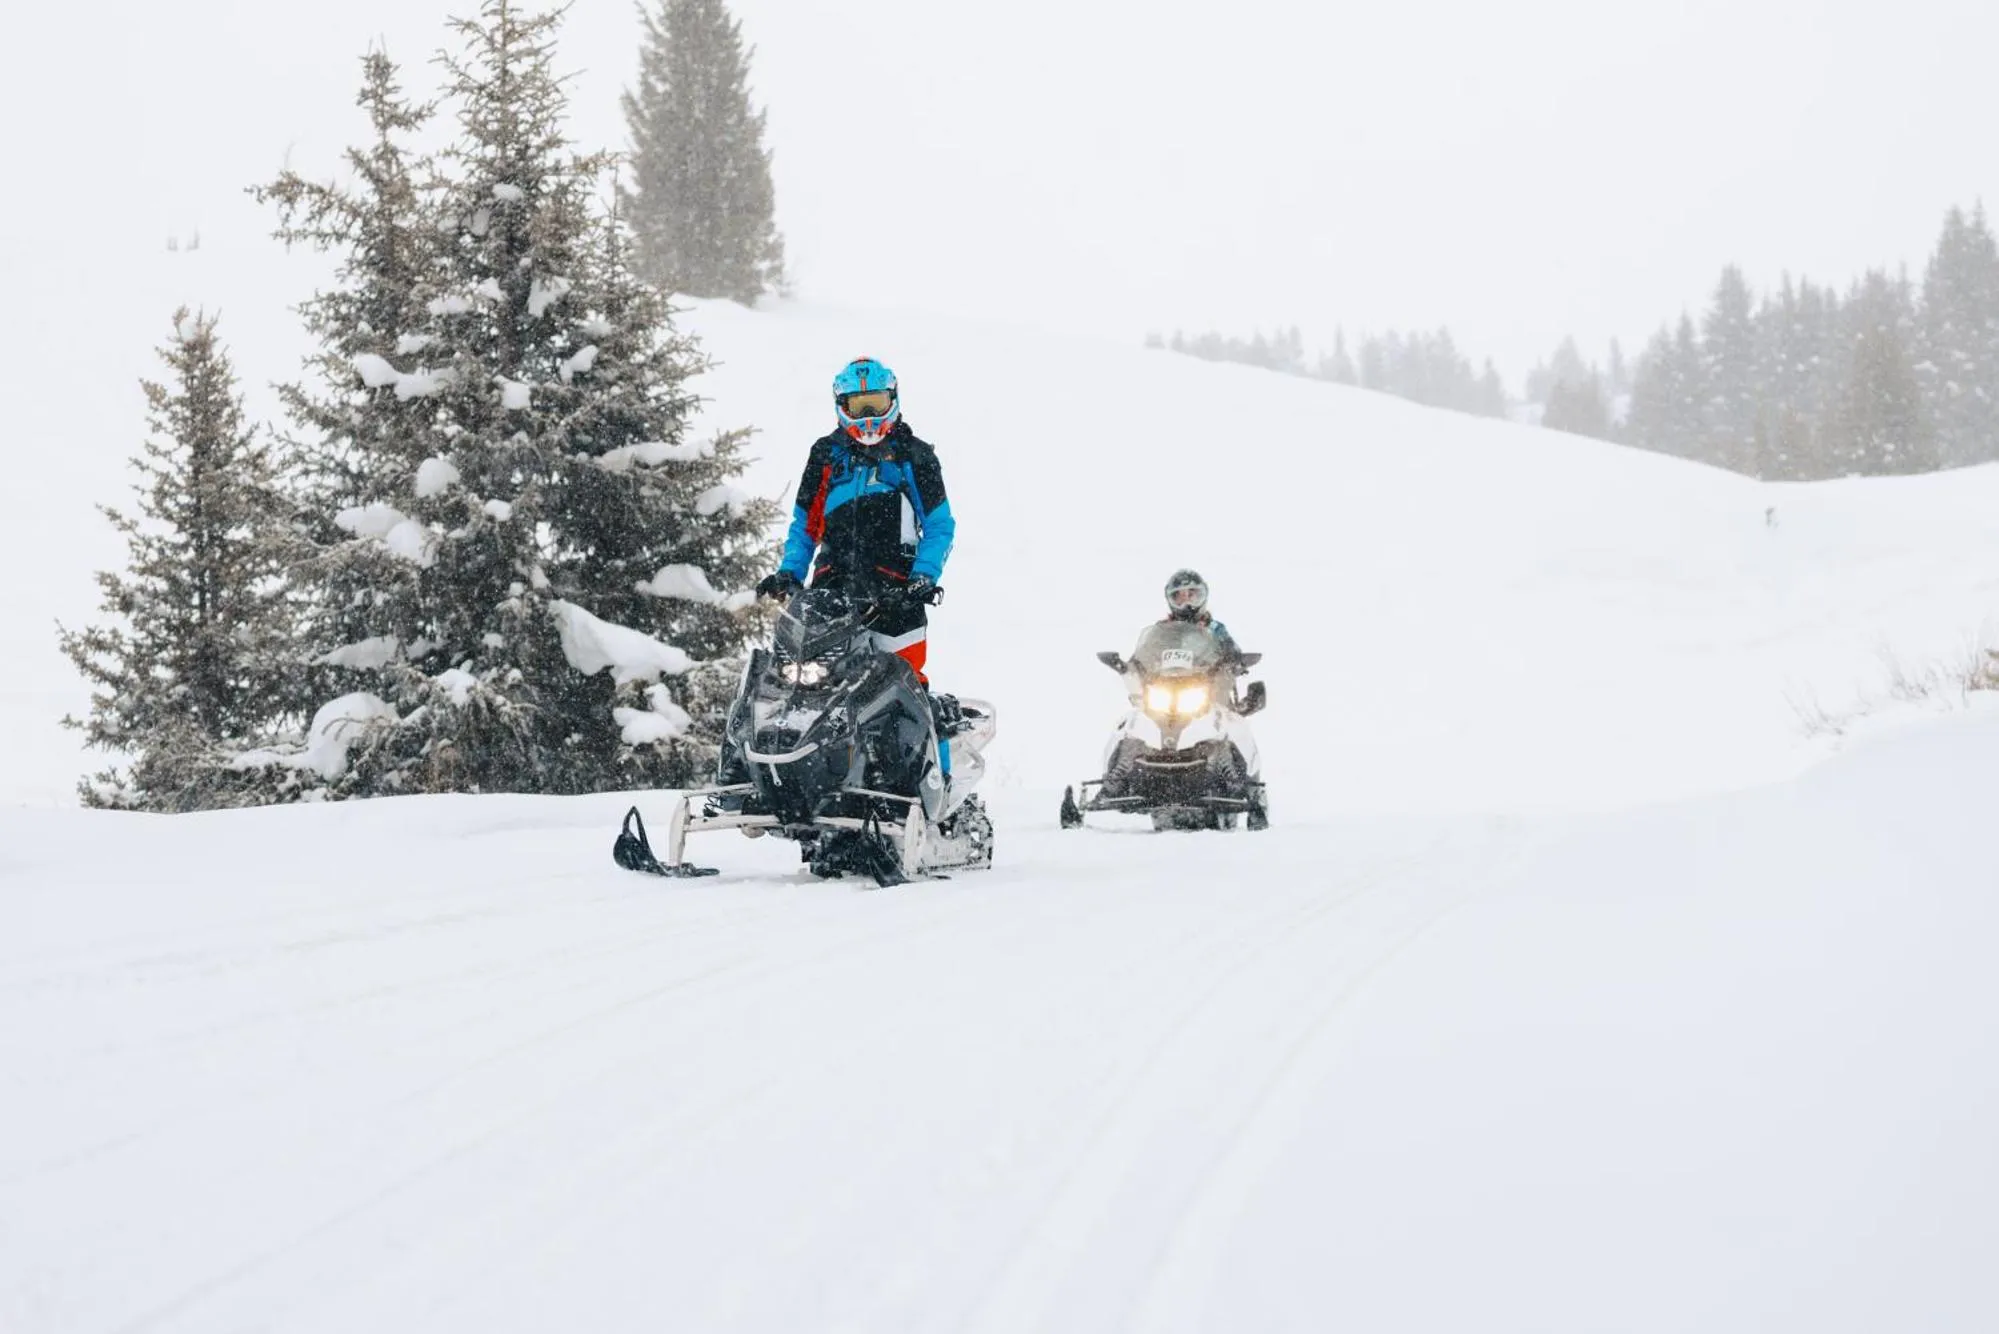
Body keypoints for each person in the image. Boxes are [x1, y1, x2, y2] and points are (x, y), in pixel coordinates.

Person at [757, 357, 955, 683]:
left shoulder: (914, 455)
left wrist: (923, 577)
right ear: (841, 405)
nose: (868, 417)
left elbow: (939, 525)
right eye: (859, 406)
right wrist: (789, 573)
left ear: (893, 400)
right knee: (803, 682)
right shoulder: (825, 454)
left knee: (906, 685)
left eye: (876, 404)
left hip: (896, 595)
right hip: (829, 593)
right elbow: (805, 525)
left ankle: (936, 734)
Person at [1161, 568, 1244, 669]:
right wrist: (1139, 666)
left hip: (1208, 679)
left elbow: (1232, 650)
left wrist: (1232, 658)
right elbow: (1146, 654)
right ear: (1171, 599)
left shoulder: (1215, 628)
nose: (1186, 602)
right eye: (1180, 597)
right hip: (1166, 680)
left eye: (1191, 595)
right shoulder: (1162, 629)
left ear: (1201, 596)